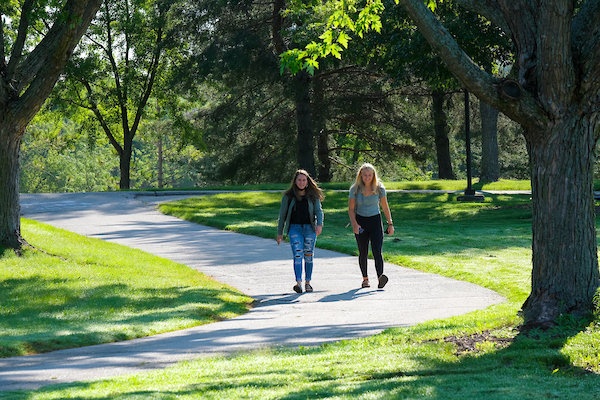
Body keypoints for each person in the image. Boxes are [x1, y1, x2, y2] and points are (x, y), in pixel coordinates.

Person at [277, 169, 324, 293]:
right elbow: (282, 215)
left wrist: (319, 225)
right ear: (295, 181)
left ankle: (308, 282)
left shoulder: (313, 195)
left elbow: (319, 211)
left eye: (304, 180)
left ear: (307, 181)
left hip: (310, 229)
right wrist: (279, 233)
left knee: (308, 255)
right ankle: (298, 283)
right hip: (294, 228)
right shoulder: (288, 196)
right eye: (299, 180)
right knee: (298, 254)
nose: (302, 182)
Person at [348, 163, 394, 289]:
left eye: (369, 175)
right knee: (363, 251)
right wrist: (355, 224)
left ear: (373, 176)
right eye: (365, 175)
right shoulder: (355, 189)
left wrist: (390, 223)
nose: (367, 177)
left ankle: (380, 277)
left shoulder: (379, 188)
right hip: (360, 221)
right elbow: (351, 209)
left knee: (377, 251)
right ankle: (365, 279)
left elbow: (385, 206)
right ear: (361, 176)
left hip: (375, 221)